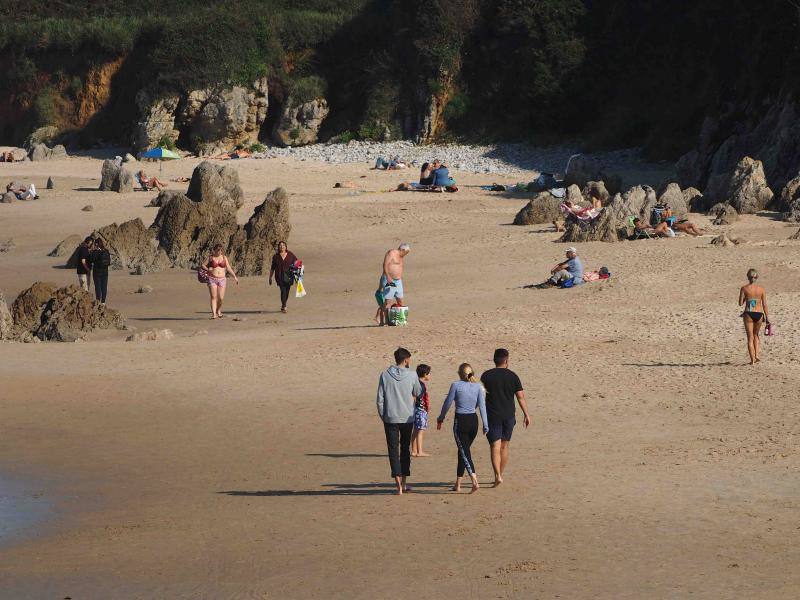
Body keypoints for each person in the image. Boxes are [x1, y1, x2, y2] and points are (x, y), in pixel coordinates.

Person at [481, 349, 531, 487]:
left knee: (494, 446)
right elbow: (520, 397)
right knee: (504, 445)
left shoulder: (486, 376)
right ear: (506, 360)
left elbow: (481, 396)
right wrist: (526, 414)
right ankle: (500, 475)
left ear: (494, 360)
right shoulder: (513, 376)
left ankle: (497, 475)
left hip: (492, 415)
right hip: (508, 415)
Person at [376, 347, 423, 495]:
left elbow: (380, 399)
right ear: (406, 360)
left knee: (393, 449)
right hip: (406, 416)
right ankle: (403, 482)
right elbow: (418, 392)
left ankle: (398, 485)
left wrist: (383, 415)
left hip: (390, 417)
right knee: (404, 449)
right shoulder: (412, 375)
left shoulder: (384, 375)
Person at [436, 363, 488, 493]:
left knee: (465, 452)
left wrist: (441, 418)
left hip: (461, 422)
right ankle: (458, 484)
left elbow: (447, 403)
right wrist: (485, 424)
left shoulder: (456, 385)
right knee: (462, 451)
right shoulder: (478, 387)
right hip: (473, 422)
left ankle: (474, 480)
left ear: (459, 373)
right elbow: (482, 407)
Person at [739, 268, 770, 365]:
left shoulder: (744, 288)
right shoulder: (761, 289)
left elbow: (740, 303)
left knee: (750, 337)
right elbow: (764, 304)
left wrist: (746, 298)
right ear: (756, 277)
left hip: (748, 313)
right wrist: (767, 317)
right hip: (759, 314)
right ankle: (757, 355)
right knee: (756, 335)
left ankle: (752, 360)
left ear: (748, 277)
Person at [200, 243, 238, 319]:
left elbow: (228, 268)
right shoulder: (210, 257)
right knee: (213, 297)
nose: (219, 252)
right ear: (214, 250)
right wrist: (208, 269)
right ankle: (214, 314)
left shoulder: (224, 257)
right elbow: (203, 265)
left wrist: (234, 276)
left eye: (220, 250)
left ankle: (218, 310)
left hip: (222, 279)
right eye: (217, 250)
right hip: (212, 279)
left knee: (221, 298)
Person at [379, 243, 410, 325]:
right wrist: (388, 276)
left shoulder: (401, 256)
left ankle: (400, 319)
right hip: (390, 280)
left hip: (398, 281)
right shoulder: (391, 253)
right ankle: (385, 321)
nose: (405, 255)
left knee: (400, 300)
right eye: (406, 253)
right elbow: (385, 265)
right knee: (388, 302)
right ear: (402, 250)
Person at [268, 241, 298, 313]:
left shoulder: (290, 255)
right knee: (283, 291)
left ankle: (283, 304)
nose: (282, 247)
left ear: (285, 246)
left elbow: (296, 262)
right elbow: (273, 268)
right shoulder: (276, 256)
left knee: (287, 292)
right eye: (280, 246)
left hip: (289, 276)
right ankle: (284, 306)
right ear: (278, 247)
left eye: (283, 245)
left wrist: (299, 272)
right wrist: (270, 277)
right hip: (279, 276)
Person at [411, 364, 432, 457]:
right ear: (425, 374)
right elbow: (415, 397)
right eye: (429, 373)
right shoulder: (421, 385)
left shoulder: (415, 383)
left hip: (415, 410)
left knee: (415, 430)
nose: (430, 375)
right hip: (420, 410)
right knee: (421, 430)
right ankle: (420, 451)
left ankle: (414, 450)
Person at [90, 237, 111, 304]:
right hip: (105, 272)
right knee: (104, 287)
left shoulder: (95, 252)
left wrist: (92, 251)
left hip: (97, 273)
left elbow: (91, 260)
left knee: (98, 287)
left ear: (96, 244)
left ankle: (98, 301)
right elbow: (109, 262)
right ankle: (103, 302)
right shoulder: (106, 251)